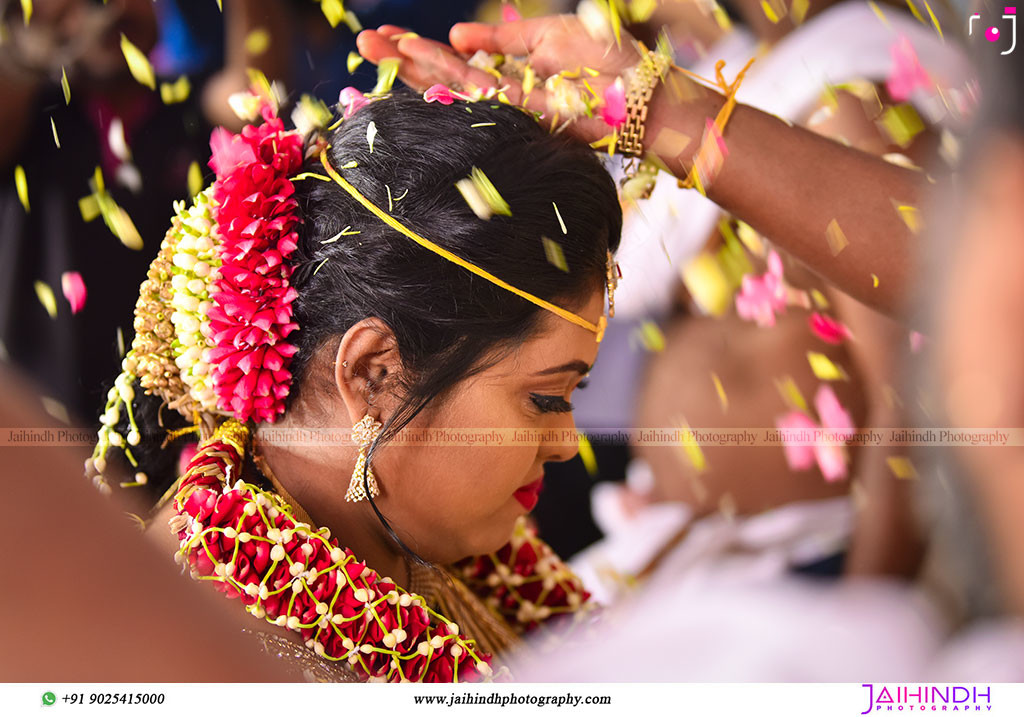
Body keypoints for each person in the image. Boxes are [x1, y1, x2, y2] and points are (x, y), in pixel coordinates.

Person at [87, 90, 622, 682]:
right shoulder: (227, 658)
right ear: (375, 375)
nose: (566, 442)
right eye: (544, 398)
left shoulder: (422, 535)